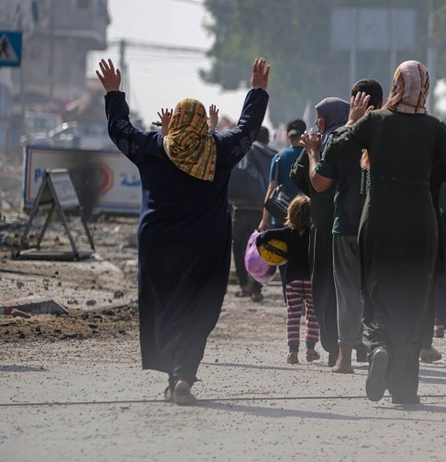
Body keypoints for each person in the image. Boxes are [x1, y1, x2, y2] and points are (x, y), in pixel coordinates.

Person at [98, 56, 269, 405]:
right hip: (205, 246)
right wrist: (257, 91)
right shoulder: (218, 151)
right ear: (199, 124)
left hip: (159, 245)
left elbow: (120, 130)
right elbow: (248, 130)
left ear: (174, 121)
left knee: (165, 304)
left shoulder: (153, 148)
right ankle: (183, 374)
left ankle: (172, 367)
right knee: (198, 306)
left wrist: (114, 93)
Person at [322, 60, 446, 405]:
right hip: (419, 226)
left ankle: (379, 346)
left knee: (376, 293)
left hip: (378, 221)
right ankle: (405, 389)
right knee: (414, 302)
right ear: (425, 89)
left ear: (395, 84)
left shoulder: (375, 122)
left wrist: (353, 122)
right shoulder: (434, 129)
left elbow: (332, 151)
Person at [295, 81, 384, 374]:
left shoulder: (342, 139)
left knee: (346, 292)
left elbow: (318, 183)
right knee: (377, 290)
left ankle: (344, 358)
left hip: (344, 225)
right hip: (380, 225)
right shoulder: (391, 133)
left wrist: (312, 152)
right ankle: (379, 349)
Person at [291, 97, 349, 368]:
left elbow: (300, 178)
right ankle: (351, 345)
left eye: (319, 116)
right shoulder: (352, 139)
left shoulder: (328, 144)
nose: (316, 122)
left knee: (325, 287)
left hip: (325, 226)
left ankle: (333, 344)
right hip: (348, 225)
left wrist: (309, 149)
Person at [257, 194, 319, 364]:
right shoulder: (315, 233)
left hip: (292, 281)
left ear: (290, 215)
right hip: (311, 281)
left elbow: (263, 236)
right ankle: (311, 349)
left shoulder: (286, 233)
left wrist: (262, 248)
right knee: (313, 316)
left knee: (293, 316)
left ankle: (293, 352)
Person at [258, 118, 307, 304]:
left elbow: (271, 190)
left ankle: (290, 300)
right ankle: (307, 299)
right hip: (308, 217)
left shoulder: (279, 157)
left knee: (285, 261)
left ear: (287, 135)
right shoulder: (312, 155)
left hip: (282, 218)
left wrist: (264, 219)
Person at [227, 126, 276, 301]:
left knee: (239, 246)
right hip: (262, 210)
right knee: (262, 249)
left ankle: (243, 285)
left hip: (241, 208)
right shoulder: (273, 155)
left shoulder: (244, 152)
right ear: (268, 139)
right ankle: (257, 288)